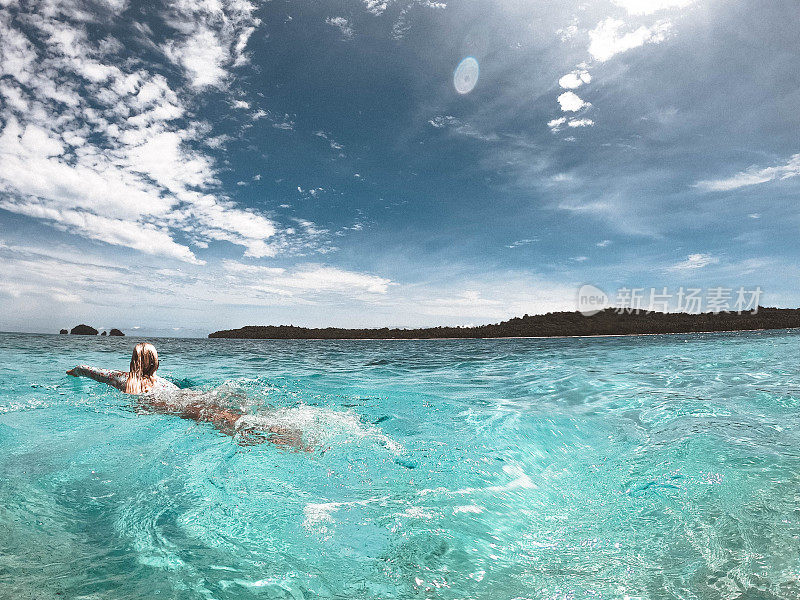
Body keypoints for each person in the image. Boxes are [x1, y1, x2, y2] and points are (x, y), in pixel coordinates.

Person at [67, 343, 307, 449]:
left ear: (133, 360)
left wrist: (73, 373)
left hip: (166, 406)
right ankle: (281, 430)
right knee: (224, 413)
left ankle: (273, 436)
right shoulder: (165, 383)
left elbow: (86, 369)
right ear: (155, 362)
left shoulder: (121, 379)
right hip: (183, 397)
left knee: (220, 419)